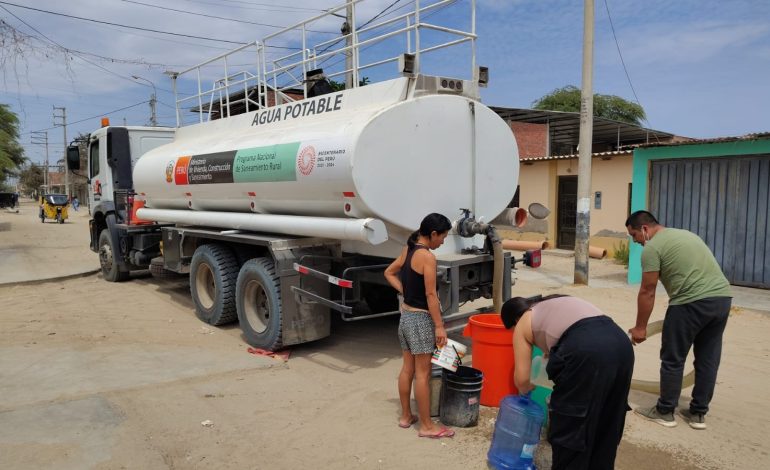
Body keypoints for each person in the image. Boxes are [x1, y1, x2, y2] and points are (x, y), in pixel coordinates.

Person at [626, 210, 732, 430]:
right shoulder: (686, 235)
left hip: (689, 303)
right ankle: (698, 413)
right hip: (721, 300)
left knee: (673, 358)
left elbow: (647, 290)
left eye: (634, 235)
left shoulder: (652, 248)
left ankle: (665, 411)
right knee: (708, 358)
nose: (635, 242)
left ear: (644, 229)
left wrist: (640, 328)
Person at [501, 294, 634, 470]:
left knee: (571, 432)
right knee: (606, 425)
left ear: (515, 320)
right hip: (622, 346)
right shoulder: (553, 304)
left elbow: (522, 380)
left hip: (585, 349)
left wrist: (528, 389)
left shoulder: (524, 321)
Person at [384, 213, 454, 439]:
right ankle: (426, 426)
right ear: (433, 234)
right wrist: (439, 326)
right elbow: (431, 294)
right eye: (442, 237)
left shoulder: (409, 249)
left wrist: (405, 292)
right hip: (421, 320)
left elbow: (389, 272)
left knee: (408, 369)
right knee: (422, 375)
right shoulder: (427, 257)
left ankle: (406, 416)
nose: (443, 241)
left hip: (405, 317)